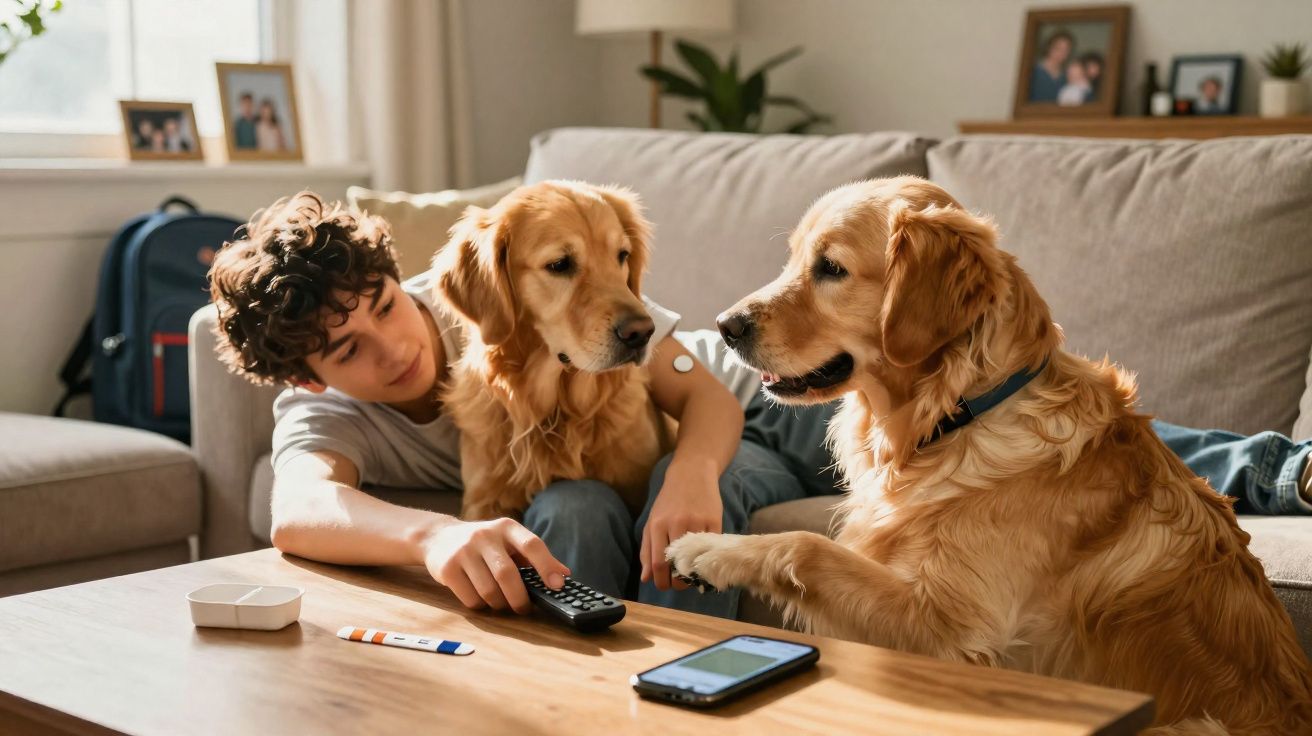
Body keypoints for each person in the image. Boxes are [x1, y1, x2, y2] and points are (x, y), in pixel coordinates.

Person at [207, 191, 770, 619]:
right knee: (575, 505)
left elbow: (701, 392)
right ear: (308, 380)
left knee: (689, 476)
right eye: (350, 350)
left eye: (386, 306)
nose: (395, 348)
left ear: (398, 281)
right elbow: (299, 506)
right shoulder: (326, 414)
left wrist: (690, 472)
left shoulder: (481, 296)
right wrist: (433, 535)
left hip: (755, 396)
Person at [1030, 29, 1073, 103]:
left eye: (1066, 50)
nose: (1061, 53)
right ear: (1049, 47)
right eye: (1058, 48)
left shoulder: (1067, 77)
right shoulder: (1033, 71)